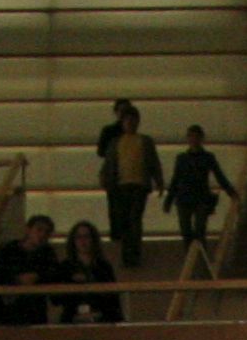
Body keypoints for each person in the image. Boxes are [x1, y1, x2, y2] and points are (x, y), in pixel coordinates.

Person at [95, 99, 156, 266]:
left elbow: (152, 161)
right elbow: (108, 160)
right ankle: (128, 252)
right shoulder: (115, 140)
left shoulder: (144, 141)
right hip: (120, 184)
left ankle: (132, 253)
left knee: (134, 219)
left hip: (137, 185)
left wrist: (158, 180)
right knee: (126, 219)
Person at [0, 213, 60, 328]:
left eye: (47, 232)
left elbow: (54, 277)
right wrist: (16, 280)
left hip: (35, 314)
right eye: (39, 229)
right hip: (6, 313)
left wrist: (37, 277)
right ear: (28, 230)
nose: (42, 235)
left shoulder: (48, 254)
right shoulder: (7, 250)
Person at [165, 125, 236, 251]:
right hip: (187, 198)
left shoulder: (203, 158)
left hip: (198, 198)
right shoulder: (185, 158)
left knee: (199, 230)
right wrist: (168, 200)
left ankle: (197, 256)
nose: (194, 139)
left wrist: (231, 192)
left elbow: (220, 176)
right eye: (192, 136)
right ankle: (193, 256)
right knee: (187, 230)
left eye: (196, 137)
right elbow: (175, 180)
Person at [52, 223, 122, 327]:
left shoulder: (103, 266)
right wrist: (72, 283)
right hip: (72, 319)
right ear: (73, 241)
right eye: (79, 237)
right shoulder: (65, 266)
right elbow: (56, 299)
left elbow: (112, 297)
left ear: (93, 240)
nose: (83, 241)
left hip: (101, 318)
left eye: (87, 236)